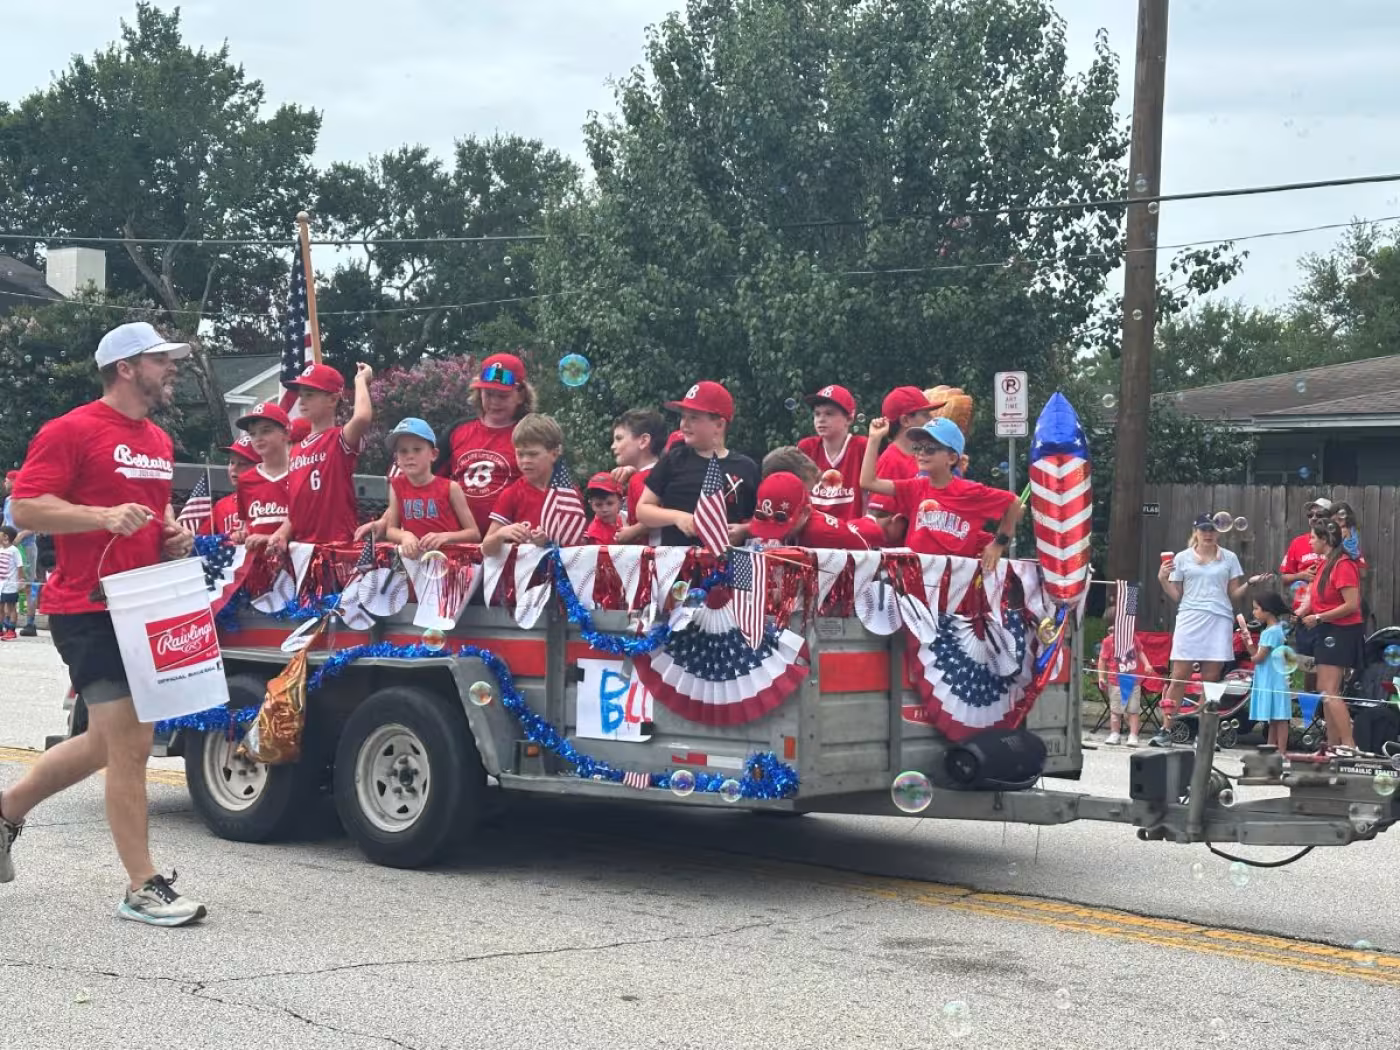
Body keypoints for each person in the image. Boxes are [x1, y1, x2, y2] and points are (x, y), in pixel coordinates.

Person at [0, 320, 205, 925]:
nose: (171, 369)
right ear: (125, 367)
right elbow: (26, 507)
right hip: (87, 607)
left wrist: (173, 535)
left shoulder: (161, 442)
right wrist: (100, 515)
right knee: (133, 744)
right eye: (160, 360)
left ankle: (7, 810)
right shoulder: (71, 430)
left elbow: (153, 513)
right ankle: (141, 886)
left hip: (144, 604)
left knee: (103, 743)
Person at [858, 416, 1021, 570]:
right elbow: (868, 482)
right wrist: (874, 439)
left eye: (929, 448)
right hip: (917, 578)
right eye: (917, 447)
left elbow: (1013, 502)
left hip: (955, 583)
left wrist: (998, 544)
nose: (921, 453)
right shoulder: (915, 487)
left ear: (951, 458)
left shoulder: (970, 491)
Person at [1152, 515, 1249, 748]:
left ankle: (1205, 734)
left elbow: (1234, 594)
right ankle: (1166, 729)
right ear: (1195, 531)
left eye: (1213, 529)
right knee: (1179, 676)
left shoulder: (1230, 557)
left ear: (1219, 532)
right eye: (1204, 529)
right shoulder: (1182, 558)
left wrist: (1251, 584)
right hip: (1190, 617)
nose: (1208, 533)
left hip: (1219, 618)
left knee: (1211, 680)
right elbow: (1177, 595)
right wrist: (1163, 580)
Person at [637, 382, 759, 546]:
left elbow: (762, 519)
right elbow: (643, 509)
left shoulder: (746, 467)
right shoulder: (673, 459)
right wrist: (677, 517)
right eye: (683, 416)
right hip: (676, 565)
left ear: (719, 425)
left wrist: (745, 530)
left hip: (726, 564)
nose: (684, 424)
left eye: (693, 417)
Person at [267, 362, 373, 547]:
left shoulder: (339, 438)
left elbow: (362, 417)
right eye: (301, 395)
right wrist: (283, 532)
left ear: (332, 400)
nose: (302, 401)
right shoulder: (296, 449)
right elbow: (297, 508)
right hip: (301, 548)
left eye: (310, 395)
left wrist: (360, 380)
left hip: (336, 546)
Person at [443, 352, 537, 538]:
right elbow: (421, 478)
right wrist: (387, 520)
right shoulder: (458, 430)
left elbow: (556, 486)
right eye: (488, 394)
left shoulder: (533, 433)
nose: (494, 402)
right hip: (459, 542)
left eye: (502, 396)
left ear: (520, 395)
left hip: (512, 544)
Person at [1296, 520, 1363, 752]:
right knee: (1325, 691)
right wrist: (1303, 611)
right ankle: (1333, 746)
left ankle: (1349, 745)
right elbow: (1316, 597)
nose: (1310, 541)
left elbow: (1352, 604)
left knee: (1330, 690)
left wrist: (1319, 617)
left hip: (1341, 631)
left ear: (1325, 540)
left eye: (1313, 537)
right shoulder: (1325, 564)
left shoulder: (1343, 564)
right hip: (1327, 630)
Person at [481, 414, 584, 556]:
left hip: (560, 575)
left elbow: (578, 544)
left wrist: (548, 542)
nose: (525, 460)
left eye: (533, 454)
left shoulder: (569, 494)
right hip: (520, 575)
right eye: (520, 454)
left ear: (554, 454)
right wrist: (501, 534)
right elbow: (485, 549)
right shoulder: (512, 493)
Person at [378, 418, 480, 557]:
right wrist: (404, 536)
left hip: (449, 561)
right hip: (415, 562)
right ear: (397, 457)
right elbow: (391, 530)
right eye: (403, 451)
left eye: (417, 449)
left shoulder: (451, 488)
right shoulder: (396, 486)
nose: (410, 456)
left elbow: (474, 533)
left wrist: (445, 537)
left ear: (433, 454)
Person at [865, 386, 939, 540]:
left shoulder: (923, 457)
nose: (931, 420)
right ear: (905, 420)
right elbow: (880, 524)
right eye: (925, 415)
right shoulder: (892, 459)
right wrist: (908, 517)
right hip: (897, 557)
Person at [748, 472, 884, 550]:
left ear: (806, 512)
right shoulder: (800, 527)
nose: (773, 533)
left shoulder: (818, 535)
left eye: (781, 521)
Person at [1278, 496, 1332, 675]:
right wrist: (1302, 575)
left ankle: (1327, 701)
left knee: (1329, 668)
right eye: (1310, 514)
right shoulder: (1298, 543)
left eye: (1320, 514)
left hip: (1329, 614)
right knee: (1307, 667)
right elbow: (1284, 578)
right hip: (1304, 614)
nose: (1314, 518)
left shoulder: (1338, 545)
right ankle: (1308, 702)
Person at [797, 384, 866, 521]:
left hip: (851, 532)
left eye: (829, 413)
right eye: (817, 414)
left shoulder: (862, 446)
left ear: (849, 419)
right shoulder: (807, 447)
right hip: (813, 531)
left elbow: (869, 496)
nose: (821, 419)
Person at [236, 402, 294, 548]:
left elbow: (309, 525)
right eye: (252, 434)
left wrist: (270, 538)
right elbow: (247, 525)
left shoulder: (300, 473)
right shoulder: (245, 480)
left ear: (286, 434)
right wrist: (242, 534)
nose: (258, 438)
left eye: (266, 431)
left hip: (294, 562)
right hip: (257, 562)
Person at [1096, 609, 1156, 747]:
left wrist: (1147, 664)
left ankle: (1133, 735)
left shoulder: (1132, 638)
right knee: (1116, 711)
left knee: (1133, 710)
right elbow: (1102, 660)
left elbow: (1140, 651)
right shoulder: (1108, 642)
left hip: (1133, 682)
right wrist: (1101, 677)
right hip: (1115, 682)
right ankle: (1115, 734)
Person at [609, 409, 668, 543]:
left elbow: (657, 513)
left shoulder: (641, 478)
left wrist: (632, 532)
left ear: (643, 441)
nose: (613, 446)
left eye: (619, 438)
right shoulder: (664, 473)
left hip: (653, 554)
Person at [1245, 592, 1293, 754]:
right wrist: (1249, 642)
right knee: (1275, 718)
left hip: (1272, 680)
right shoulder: (1277, 629)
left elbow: (1257, 658)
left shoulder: (1269, 633)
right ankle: (1271, 749)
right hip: (1276, 678)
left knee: (1279, 718)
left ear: (1268, 611)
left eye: (1257, 609)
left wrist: (1247, 642)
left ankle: (1281, 752)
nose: (1254, 612)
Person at [4, 469, 42, 636]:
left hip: (25, 547)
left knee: (27, 584)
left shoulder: (28, 500)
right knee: (7, 583)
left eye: (7, 480)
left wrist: (21, 535)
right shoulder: (8, 500)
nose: (4, 483)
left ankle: (30, 622)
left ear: (14, 481)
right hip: (8, 547)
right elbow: (6, 521)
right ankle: (7, 621)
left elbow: (37, 524)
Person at [211, 435, 260, 540]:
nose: (234, 468)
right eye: (231, 462)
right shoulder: (221, 506)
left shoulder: (272, 500)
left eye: (242, 464)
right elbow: (204, 538)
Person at [583, 473, 625, 545]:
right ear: (591, 505)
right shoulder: (594, 534)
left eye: (610, 503)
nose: (604, 509)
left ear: (621, 502)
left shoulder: (626, 518)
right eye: (598, 505)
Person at [0, 526, 20, 639]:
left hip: (10, 584)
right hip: (0, 584)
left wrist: (20, 580)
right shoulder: (0, 549)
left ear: (6, 537)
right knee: (0, 607)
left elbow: (19, 566)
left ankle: (11, 630)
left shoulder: (14, 550)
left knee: (11, 607)